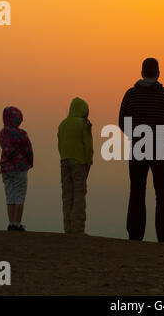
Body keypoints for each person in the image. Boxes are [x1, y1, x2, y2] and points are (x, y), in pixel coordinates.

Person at [119, 58, 164, 243]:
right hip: (160, 149)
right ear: (158, 73)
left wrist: (136, 136)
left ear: (142, 72)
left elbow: (122, 121)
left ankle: (135, 234)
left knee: (137, 191)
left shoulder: (130, 95)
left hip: (138, 148)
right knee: (163, 193)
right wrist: (162, 137)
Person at [58, 97, 93, 234]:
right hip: (79, 162)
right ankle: (78, 229)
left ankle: (68, 228)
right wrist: (89, 162)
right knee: (79, 195)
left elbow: (60, 144)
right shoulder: (84, 124)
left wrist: (63, 157)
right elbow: (88, 146)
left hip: (64, 161)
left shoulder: (63, 124)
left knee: (67, 195)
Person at [0, 106, 34, 231]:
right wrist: (30, 162)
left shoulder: (2, 134)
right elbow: (28, 150)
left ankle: (11, 222)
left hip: (6, 168)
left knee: (9, 195)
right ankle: (17, 223)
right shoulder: (21, 134)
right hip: (20, 168)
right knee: (19, 196)